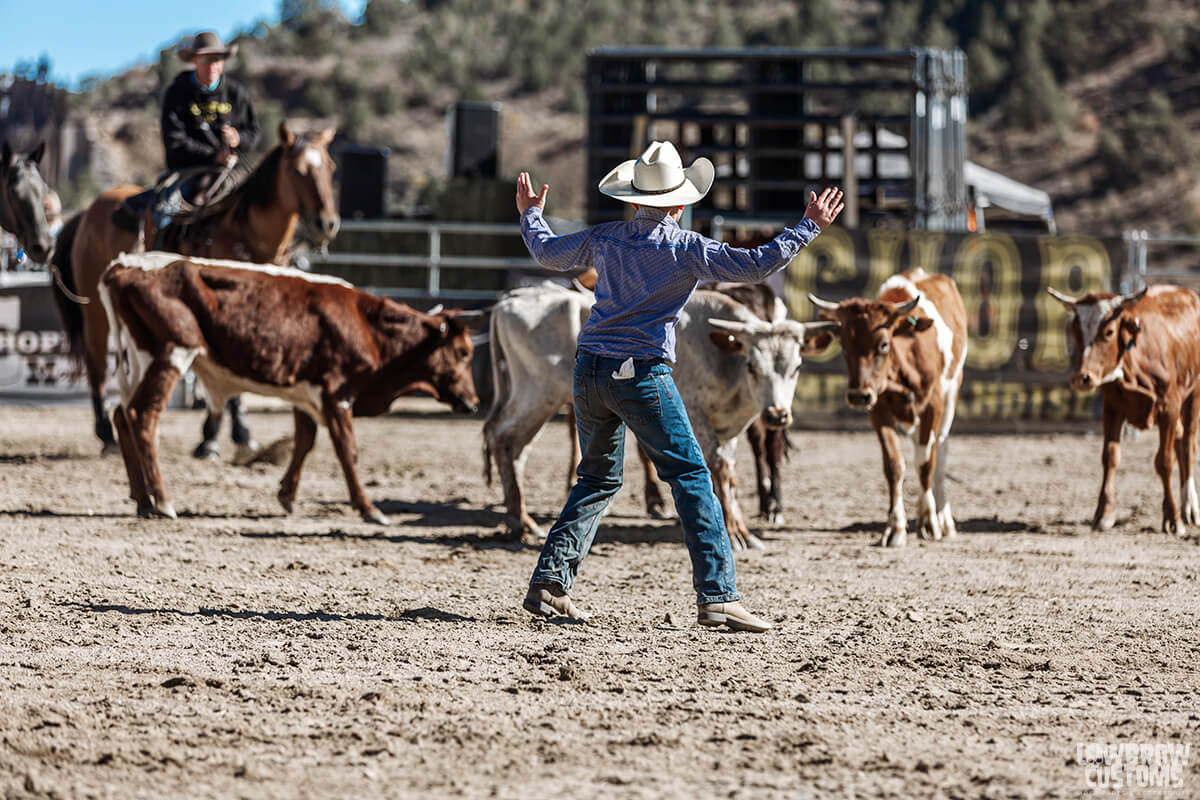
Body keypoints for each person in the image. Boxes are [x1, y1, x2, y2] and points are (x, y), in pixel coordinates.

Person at [516, 141, 844, 632]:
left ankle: (550, 583)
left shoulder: (604, 238)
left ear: (631, 199)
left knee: (597, 478)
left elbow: (544, 252)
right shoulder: (686, 249)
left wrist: (532, 214)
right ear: (679, 202)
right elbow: (757, 264)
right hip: (641, 371)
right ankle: (717, 595)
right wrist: (808, 226)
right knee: (692, 476)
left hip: (589, 370)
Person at [161, 30, 259, 203]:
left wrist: (238, 139)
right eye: (206, 59)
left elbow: (253, 133)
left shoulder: (236, 93)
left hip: (231, 171)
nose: (212, 65)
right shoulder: (177, 93)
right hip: (187, 172)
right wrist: (214, 156)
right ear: (194, 60)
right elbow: (174, 141)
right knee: (167, 210)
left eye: (217, 59)